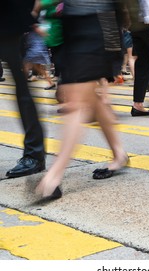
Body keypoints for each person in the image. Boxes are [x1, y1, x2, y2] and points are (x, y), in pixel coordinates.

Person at [35, 0, 129, 199]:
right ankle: (119, 153)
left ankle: (54, 175)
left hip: (98, 22)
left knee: (76, 99)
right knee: (87, 97)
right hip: (70, 25)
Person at [1, 0, 46, 178]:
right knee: (22, 90)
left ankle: (35, 154)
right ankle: (34, 153)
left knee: (22, 90)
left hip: (8, 21)